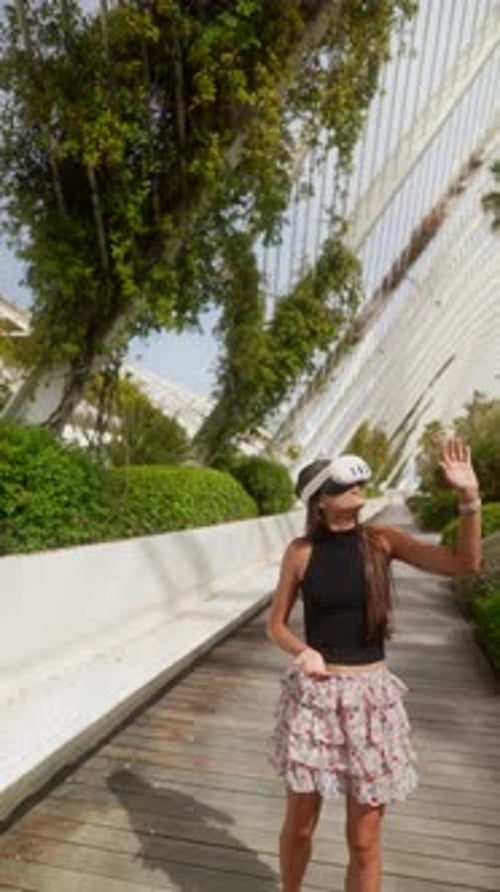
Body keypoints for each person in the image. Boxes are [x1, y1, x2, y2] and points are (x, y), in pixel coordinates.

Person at [268, 437, 481, 892]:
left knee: (364, 841)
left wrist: (469, 499)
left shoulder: (382, 542)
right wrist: (301, 650)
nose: (356, 489)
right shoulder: (300, 552)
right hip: (316, 702)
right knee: (301, 824)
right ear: (320, 501)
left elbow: (464, 563)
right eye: (342, 485)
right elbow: (276, 625)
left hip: (372, 703)